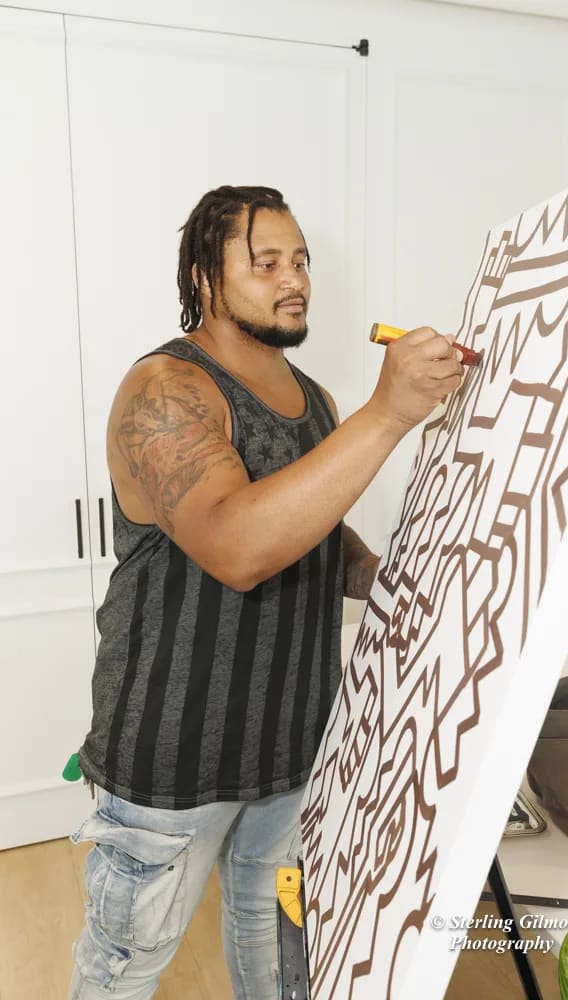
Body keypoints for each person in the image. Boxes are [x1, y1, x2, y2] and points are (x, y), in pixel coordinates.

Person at [68, 185, 463, 1000]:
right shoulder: (165, 389)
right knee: (123, 966)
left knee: (270, 936)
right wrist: (388, 415)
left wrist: (375, 574)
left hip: (289, 746)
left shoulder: (313, 398)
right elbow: (238, 546)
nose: (294, 280)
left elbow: (310, 524)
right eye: (267, 263)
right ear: (204, 278)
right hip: (173, 757)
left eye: (301, 261)